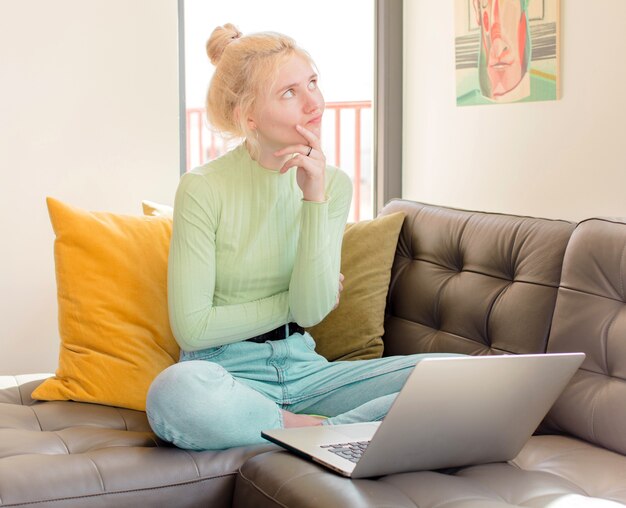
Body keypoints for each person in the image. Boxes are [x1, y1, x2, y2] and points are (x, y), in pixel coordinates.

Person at [146, 23, 456, 451]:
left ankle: (310, 431)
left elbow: (311, 311)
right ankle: (310, 430)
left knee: (458, 376)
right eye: (289, 93)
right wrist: (301, 297)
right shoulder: (203, 188)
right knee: (174, 394)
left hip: (307, 371)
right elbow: (194, 329)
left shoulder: (332, 185)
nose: (314, 103)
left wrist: (313, 197)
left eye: (313, 83)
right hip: (224, 375)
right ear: (248, 116)